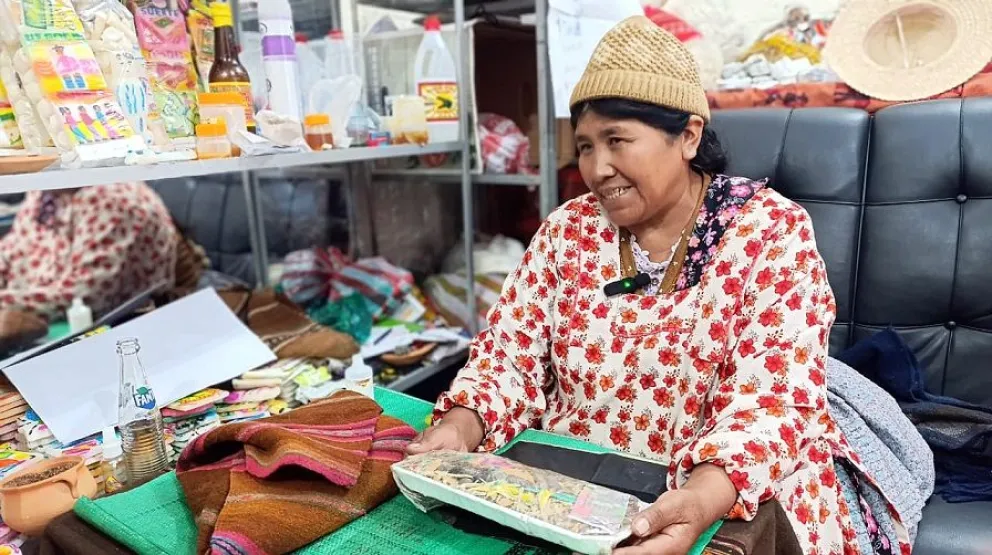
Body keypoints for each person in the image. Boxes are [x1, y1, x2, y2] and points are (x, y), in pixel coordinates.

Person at [408, 16, 908, 555]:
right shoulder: (568, 231)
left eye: (617, 140)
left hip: (725, 486)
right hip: (574, 485)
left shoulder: (770, 233)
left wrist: (697, 502)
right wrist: (461, 426)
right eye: (585, 146)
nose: (598, 168)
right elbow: (509, 358)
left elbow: (770, 406)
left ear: (688, 136)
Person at [0, 183, 180, 321]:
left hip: (113, 324)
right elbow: (10, 252)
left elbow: (84, 295)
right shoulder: (47, 190)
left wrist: (6, 303)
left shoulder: (113, 201)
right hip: (32, 307)